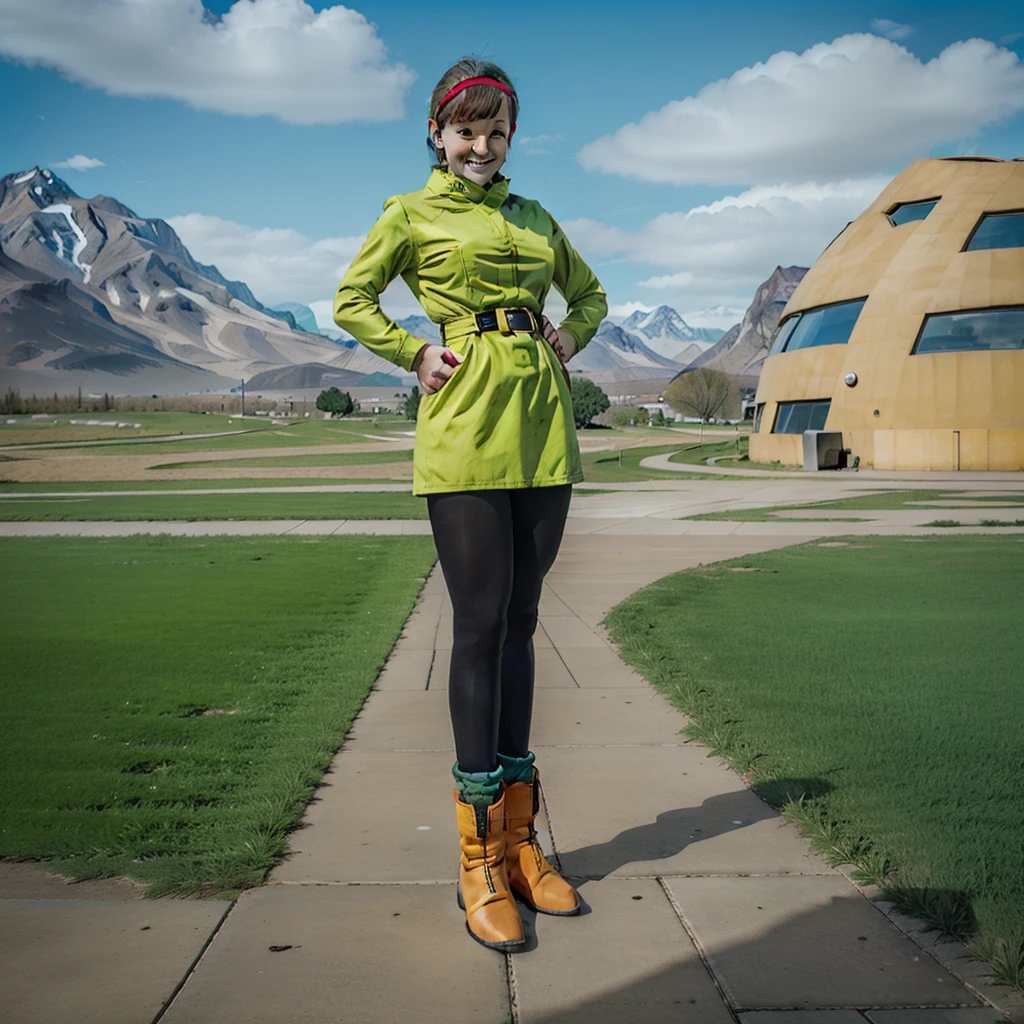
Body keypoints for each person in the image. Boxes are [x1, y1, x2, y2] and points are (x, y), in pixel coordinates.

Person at [333, 57, 607, 953]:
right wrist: (413, 354)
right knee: (481, 625)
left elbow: (591, 292)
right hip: (465, 426)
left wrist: (570, 330)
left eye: (496, 132)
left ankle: (525, 846)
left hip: (543, 426)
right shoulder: (408, 214)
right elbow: (352, 299)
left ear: (510, 136)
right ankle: (479, 859)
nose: (482, 146)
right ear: (436, 134)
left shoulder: (535, 218)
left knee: (526, 621)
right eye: (466, 131)